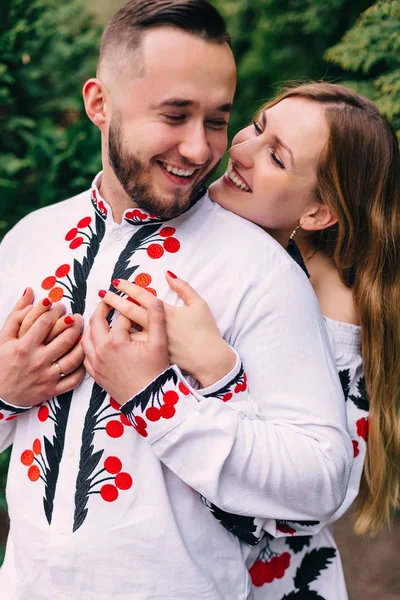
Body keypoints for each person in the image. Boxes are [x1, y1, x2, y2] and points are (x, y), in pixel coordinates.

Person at [0, 3, 352, 599]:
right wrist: (4, 392)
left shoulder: (260, 270)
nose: (199, 148)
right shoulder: (28, 240)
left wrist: (157, 401)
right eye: (175, 115)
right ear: (99, 104)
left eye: (217, 120)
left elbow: (320, 482)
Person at [99, 82, 400, 599]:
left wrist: (218, 369)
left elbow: (306, 504)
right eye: (257, 127)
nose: (240, 150)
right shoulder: (248, 257)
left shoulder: (334, 315)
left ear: (317, 213)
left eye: (276, 157)